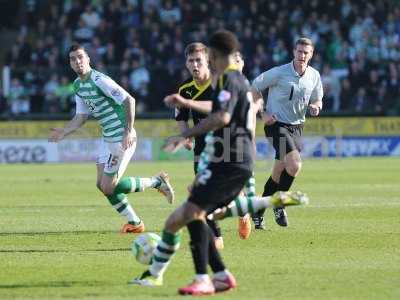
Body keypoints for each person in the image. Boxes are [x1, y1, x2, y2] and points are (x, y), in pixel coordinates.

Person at [131, 30, 308, 295]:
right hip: (230, 160)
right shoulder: (231, 80)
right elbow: (217, 106)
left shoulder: (230, 80)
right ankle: (216, 272)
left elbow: (222, 117)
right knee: (190, 216)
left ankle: (200, 277)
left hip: (228, 161)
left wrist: (185, 135)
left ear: (215, 55)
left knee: (190, 213)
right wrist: (187, 102)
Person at [49, 43, 175, 233]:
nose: (77, 61)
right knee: (101, 185)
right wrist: (64, 131)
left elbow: (129, 100)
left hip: (121, 138)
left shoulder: (99, 80)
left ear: (88, 59)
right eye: (73, 59)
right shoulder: (77, 85)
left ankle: (156, 183)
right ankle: (135, 223)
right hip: (107, 138)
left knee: (109, 186)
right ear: (70, 63)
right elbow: (81, 116)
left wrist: (127, 131)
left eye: (80, 57)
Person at [251, 37, 323, 229]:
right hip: (276, 125)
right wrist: (263, 112)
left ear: (311, 54)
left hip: (297, 127)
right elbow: (254, 86)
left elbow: (318, 100)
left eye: (306, 52)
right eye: (299, 51)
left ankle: (258, 210)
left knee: (278, 172)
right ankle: (280, 204)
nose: (302, 55)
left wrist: (316, 107)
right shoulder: (280, 72)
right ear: (293, 52)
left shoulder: (314, 76)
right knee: (295, 165)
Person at [167, 42, 225, 249]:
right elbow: (181, 117)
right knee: (199, 192)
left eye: (198, 60)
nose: (195, 65)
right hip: (202, 148)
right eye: (191, 61)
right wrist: (186, 136)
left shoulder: (220, 83)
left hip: (227, 143)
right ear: (186, 63)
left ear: (207, 61)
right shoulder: (185, 89)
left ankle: (243, 210)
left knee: (214, 192)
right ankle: (216, 236)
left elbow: (223, 111)